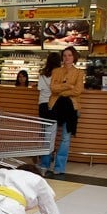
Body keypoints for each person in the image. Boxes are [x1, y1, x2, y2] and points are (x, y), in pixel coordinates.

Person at [40, 46, 84, 176]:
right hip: (55, 105)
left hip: (71, 107)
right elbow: (53, 88)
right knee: (49, 135)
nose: (67, 58)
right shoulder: (56, 71)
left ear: (74, 57)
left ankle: (59, 167)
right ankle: (45, 164)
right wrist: (69, 86)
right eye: (64, 55)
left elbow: (78, 91)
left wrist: (62, 89)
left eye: (69, 55)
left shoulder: (79, 73)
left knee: (66, 138)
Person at [37, 52, 61, 119]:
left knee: (44, 127)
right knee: (52, 127)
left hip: (43, 103)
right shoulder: (60, 74)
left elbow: (39, 88)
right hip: (55, 103)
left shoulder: (42, 73)